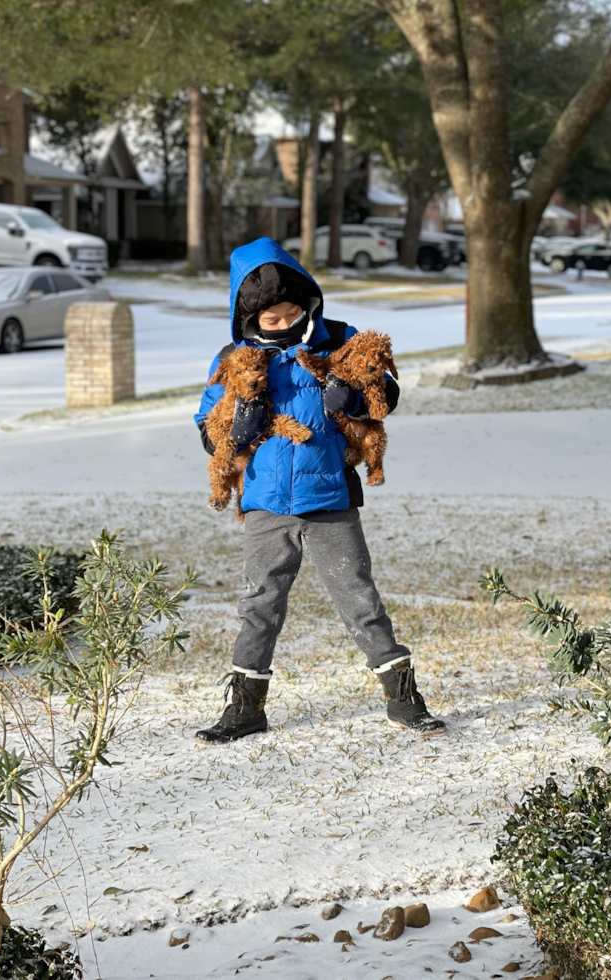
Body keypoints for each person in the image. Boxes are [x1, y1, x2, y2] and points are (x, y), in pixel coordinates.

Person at [193, 237, 445, 743]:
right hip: (266, 505)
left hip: (330, 499)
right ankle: (245, 709)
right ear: (249, 318)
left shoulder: (338, 340)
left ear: (307, 300)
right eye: (270, 318)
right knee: (258, 601)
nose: (283, 323)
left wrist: (350, 397)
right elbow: (207, 427)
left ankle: (404, 699)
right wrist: (236, 431)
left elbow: (384, 393)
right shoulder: (233, 358)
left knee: (358, 597)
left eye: (290, 311)